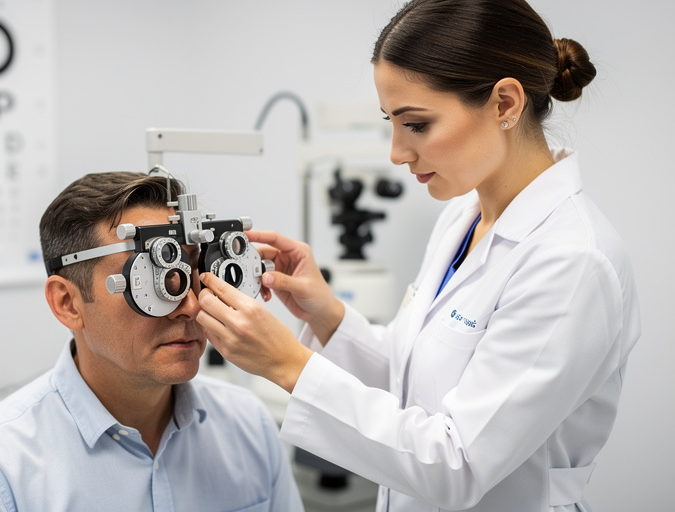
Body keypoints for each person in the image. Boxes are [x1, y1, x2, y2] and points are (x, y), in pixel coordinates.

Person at [195, 1, 641, 511]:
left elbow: (459, 463)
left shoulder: (573, 261)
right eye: (391, 122)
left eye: (417, 125)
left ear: (505, 103)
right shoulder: (464, 217)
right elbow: (419, 381)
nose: (396, 152)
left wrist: (288, 365)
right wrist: (329, 316)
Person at [0, 172, 303, 512]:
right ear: (67, 303)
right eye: (157, 280)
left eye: (194, 273)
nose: (189, 305)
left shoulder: (248, 426)